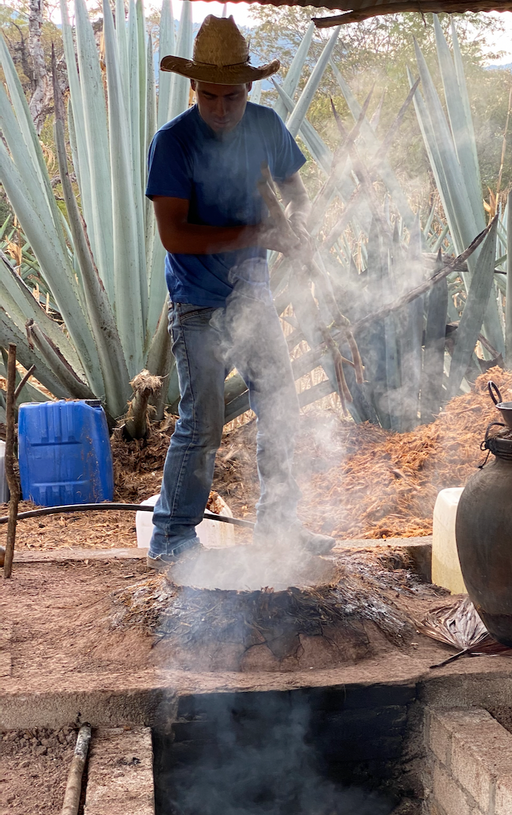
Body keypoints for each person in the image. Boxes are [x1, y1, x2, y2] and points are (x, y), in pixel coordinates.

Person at [145, 14, 335, 569]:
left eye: (232, 96)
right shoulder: (173, 142)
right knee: (202, 419)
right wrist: (259, 234)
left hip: (251, 291)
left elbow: (296, 191)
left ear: (248, 89)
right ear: (193, 89)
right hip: (198, 299)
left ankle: (280, 528)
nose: (222, 108)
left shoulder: (266, 125)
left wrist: (300, 224)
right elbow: (173, 233)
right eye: (210, 97)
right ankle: (174, 537)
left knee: (280, 406)